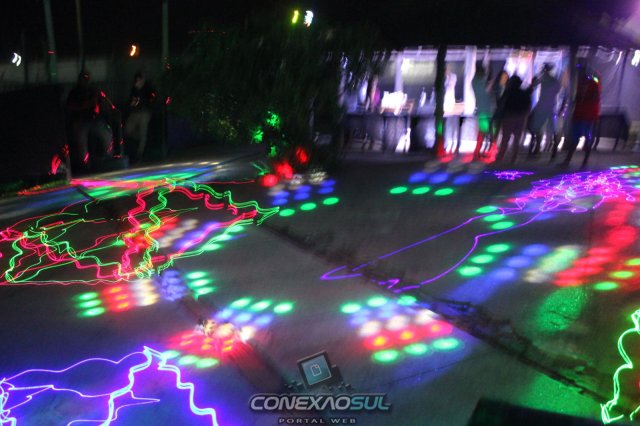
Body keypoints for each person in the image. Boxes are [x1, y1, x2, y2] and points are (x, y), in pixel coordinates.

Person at [66, 71, 113, 171]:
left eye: (87, 78)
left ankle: (109, 160)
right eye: (83, 78)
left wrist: (99, 106)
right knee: (80, 141)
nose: (85, 80)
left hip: (95, 120)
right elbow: (70, 106)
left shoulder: (93, 90)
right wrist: (85, 105)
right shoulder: (74, 92)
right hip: (81, 121)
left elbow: (102, 104)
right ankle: (84, 166)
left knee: (106, 135)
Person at [562, 66, 601, 167]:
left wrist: (583, 98)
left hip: (588, 115)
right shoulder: (580, 84)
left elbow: (596, 98)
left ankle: (584, 160)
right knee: (575, 137)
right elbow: (577, 99)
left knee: (586, 137)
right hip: (579, 114)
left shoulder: (594, 84)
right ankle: (568, 159)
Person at [496, 75, 532, 163]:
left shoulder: (508, 92)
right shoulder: (524, 93)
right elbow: (528, 106)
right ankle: (513, 158)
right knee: (516, 139)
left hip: (509, 116)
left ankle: (501, 156)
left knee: (505, 138)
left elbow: (501, 104)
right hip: (520, 117)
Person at [528, 63, 561, 157]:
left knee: (535, 127)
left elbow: (533, 84)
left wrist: (539, 74)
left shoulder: (543, 78)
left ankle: (534, 148)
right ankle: (554, 149)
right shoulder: (555, 80)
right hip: (551, 106)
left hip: (542, 105)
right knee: (553, 129)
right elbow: (557, 90)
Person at [124, 72, 156, 162]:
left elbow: (151, 100)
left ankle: (139, 154)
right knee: (127, 130)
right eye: (137, 80)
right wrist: (133, 103)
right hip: (135, 112)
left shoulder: (147, 88)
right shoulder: (135, 89)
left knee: (143, 133)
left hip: (145, 112)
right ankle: (138, 143)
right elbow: (133, 101)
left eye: (140, 80)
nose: (138, 82)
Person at [471, 63, 495, 159]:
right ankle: (479, 153)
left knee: (482, 132)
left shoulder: (474, 81)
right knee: (486, 132)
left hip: (481, 110)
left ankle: (478, 152)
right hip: (487, 110)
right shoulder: (482, 80)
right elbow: (487, 88)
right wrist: (491, 81)